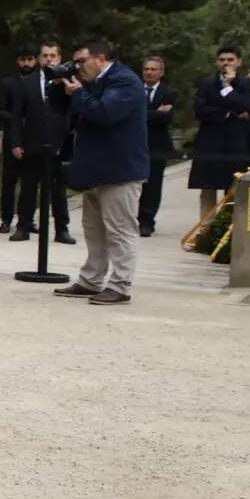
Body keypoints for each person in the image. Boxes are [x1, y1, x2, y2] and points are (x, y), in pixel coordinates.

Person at [52, 43, 147, 305]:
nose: (78, 67)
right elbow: (66, 110)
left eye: (81, 62)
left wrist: (79, 94)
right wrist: (61, 84)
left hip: (120, 170)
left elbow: (106, 113)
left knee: (120, 230)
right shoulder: (92, 81)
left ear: (101, 58)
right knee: (94, 230)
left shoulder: (125, 81)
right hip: (95, 169)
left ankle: (120, 285)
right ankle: (91, 280)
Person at [8, 40, 76, 244]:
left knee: (58, 190)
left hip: (58, 144)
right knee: (28, 187)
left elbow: (74, 111)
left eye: (53, 56)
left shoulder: (67, 83)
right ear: (39, 59)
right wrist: (15, 142)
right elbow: (17, 114)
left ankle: (61, 229)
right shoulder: (26, 83)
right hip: (32, 142)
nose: (49, 59)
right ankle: (23, 227)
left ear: (59, 58)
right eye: (45, 55)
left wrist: (65, 86)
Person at [190, 43, 250, 219]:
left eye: (230, 59)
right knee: (208, 189)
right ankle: (204, 230)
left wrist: (229, 88)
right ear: (217, 63)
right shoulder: (207, 83)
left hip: (237, 143)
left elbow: (248, 107)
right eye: (222, 60)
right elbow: (200, 111)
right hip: (210, 142)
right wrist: (229, 112)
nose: (226, 63)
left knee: (235, 188)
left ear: (239, 62)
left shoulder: (248, 84)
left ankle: (229, 230)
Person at [0, 45, 39, 233]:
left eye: (30, 59)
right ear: (17, 61)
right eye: (23, 59)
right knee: (9, 182)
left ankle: (27, 219)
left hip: (32, 138)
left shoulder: (40, 82)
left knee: (30, 183)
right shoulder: (7, 83)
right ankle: (6, 219)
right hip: (11, 138)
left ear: (35, 60)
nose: (26, 63)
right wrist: (17, 120)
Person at [138, 55, 178, 236]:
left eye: (153, 69)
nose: (149, 72)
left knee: (153, 185)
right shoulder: (134, 90)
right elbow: (131, 114)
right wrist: (156, 112)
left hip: (157, 145)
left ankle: (147, 221)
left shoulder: (168, 92)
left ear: (161, 73)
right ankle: (132, 218)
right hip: (135, 144)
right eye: (146, 69)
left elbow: (167, 118)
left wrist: (145, 114)